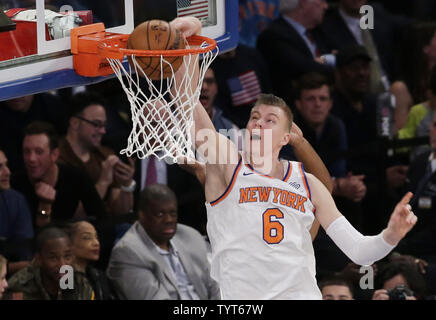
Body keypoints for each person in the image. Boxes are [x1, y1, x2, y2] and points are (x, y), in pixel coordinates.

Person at [170, 16, 417, 300]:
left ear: (286, 137)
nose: (259, 123)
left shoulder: (307, 182)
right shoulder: (228, 165)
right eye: (254, 118)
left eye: (270, 120)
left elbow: (360, 250)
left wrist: (391, 234)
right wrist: (186, 50)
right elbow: (190, 107)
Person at [106, 184, 220, 300]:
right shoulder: (128, 253)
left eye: (173, 213)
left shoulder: (190, 236)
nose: (169, 220)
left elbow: (215, 285)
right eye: (160, 214)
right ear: (142, 215)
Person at [11, 121, 105, 228]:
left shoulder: (76, 177)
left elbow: (101, 218)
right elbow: (32, 235)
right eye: (26, 152)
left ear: (54, 155)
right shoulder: (15, 184)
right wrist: (44, 206)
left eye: (39, 152)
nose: (31, 159)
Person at [58, 91, 135, 216]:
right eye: (97, 124)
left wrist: (126, 184)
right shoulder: (57, 157)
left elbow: (121, 212)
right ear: (75, 123)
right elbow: (74, 216)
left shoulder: (106, 155)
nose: (103, 131)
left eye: (104, 125)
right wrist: (103, 182)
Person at [257, 0, 334, 105]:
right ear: (303, 3)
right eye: (321, 1)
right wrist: (331, 61)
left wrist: (325, 61)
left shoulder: (318, 32)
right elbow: (305, 68)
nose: (326, 6)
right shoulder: (273, 36)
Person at [6, 226, 94, 300]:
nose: (62, 265)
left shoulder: (78, 281)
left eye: (67, 257)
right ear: (39, 259)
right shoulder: (20, 286)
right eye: (53, 258)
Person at [0, 149, 34, 275]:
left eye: (6, 165)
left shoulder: (16, 201)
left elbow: (25, 257)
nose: (7, 172)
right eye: (0, 167)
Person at [64, 221, 117, 300]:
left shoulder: (98, 275)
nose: (96, 243)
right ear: (69, 244)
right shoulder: (65, 275)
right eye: (87, 238)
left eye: (96, 237)